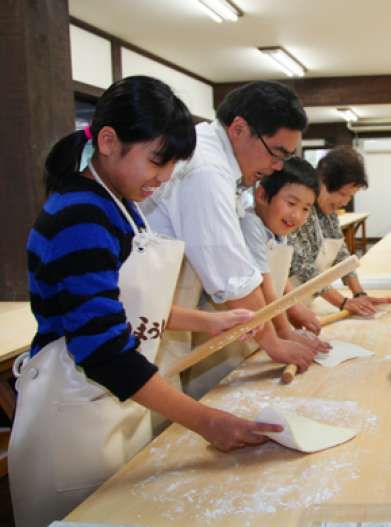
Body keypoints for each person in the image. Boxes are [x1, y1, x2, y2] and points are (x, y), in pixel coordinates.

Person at [9, 76, 284, 527]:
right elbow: (101, 350)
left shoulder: (118, 204)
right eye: (159, 160)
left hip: (111, 405)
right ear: (109, 141)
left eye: (174, 164)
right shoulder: (79, 215)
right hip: (71, 417)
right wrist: (206, 421)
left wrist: (206, 320)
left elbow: (122, 302)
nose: (165, 177)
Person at [142, 81, 326, 399]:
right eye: (276, 153)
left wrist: (282, 331)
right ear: (239, 129)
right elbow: (234, 276)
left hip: (164, 313)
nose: (278, 166)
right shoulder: (208, 170)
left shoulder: (221, 163)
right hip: (146, 322)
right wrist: (275, 342)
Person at [240, 158, 331, 354]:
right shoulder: (250, 225)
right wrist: (285, 331)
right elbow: (265, 287)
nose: (297, 215)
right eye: (291, 203)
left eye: (306, 209)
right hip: (234, 331)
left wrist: (294, 306)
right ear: (262, 195)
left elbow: (278, 279)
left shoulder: (277, 229)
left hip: (261, 326)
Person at [288, 146, 391, 316]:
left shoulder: (329, 215)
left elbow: (341, 255)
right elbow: (303, 267)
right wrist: (343, 302)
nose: (344, 202)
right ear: (321, 180)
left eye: (350, 196)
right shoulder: (300, 212)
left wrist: (359, 294)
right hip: (283, 305)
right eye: (342, 194)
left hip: (305, 302)